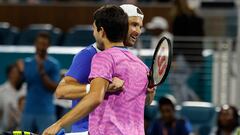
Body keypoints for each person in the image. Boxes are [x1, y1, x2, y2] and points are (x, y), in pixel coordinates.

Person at [43, 5, 155, 135]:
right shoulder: (88, 55)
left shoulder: (128, 61)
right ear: (120, 24)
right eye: (134, 25)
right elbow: (61, 92)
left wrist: (148, 92)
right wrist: (101, 87)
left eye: (140, 26)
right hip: (86, 129)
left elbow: (144, 102)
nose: (138, 31)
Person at [17, 32, 60, 134]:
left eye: (44, 44)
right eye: (39, 43)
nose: (41, 47)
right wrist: (20, 72)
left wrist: (42, 73)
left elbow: (54, 87)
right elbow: (18, 86)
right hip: (28, 111)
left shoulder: (53, 64)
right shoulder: (27, 63)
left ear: (48, 46)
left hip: (46, 112)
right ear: (35, 44)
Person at [0, 64, 25, 131]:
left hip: (25, 130)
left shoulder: (27, 89)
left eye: (18, 73)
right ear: (8, 74)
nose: (16, 75)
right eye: (13, 73)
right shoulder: (1, 90)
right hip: (6, 131)